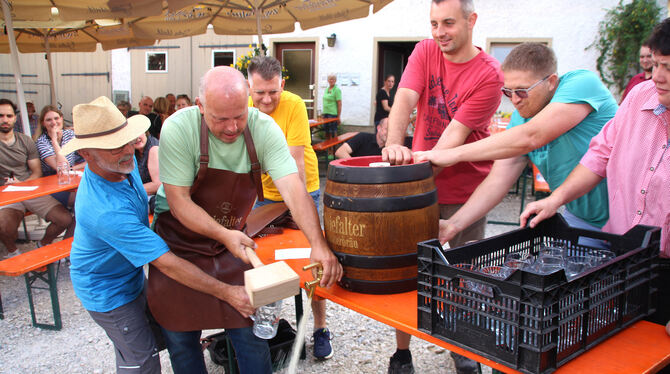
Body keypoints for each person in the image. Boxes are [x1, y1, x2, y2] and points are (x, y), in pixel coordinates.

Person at [151, 66, 343, 374]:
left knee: (251, 332)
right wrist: (225, 234)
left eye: (239, 115)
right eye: (220, 119)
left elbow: (294, 190)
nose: (232, 127)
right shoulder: (178, 128)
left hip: (231, 247)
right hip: (180, 244)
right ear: (200, 107)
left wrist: (317, 243)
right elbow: (179, 202)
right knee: (180, 336)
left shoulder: (263, 129)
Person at [60, 95, 261, 374]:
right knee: (141, 360)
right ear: (86, 154)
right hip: (107, 291)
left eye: (127, 140)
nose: (127, 150)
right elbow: (165, 263)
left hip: (128, 276)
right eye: (113, 146)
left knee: (158, 337)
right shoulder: (106, 212)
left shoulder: (118, 167)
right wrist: (228, 293)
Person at [519, 18, 670, 330]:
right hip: (626, 257)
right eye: (655, 65)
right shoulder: (640, 97)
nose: (658, 77)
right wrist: (555, 200)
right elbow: (599, 155)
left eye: (668, 68)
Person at [381, 1, 504, 373]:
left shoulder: (490, 75)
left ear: (472, 21)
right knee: (406, 272)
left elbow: (453, 137)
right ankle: (402, 352)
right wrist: (393, 142)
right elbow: (404, 96)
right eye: (434, 23)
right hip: (419, 187)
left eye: (448, 23)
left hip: (465, 192)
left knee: (465, 279)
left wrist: (407, 174)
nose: (439, 32)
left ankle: (466, 356)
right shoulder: (424, 49)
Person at [414, 42, 617, 245]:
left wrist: (451, 154)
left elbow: (532, 136)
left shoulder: (581, 82)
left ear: (551, 82)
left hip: (626, 215)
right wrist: (454, 224)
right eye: (508, 92)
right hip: (581, 218)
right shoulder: (521, 119)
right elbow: (498, 179)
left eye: (521, 91)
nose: (514, 100)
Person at [246, 55, 334, 360]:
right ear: (249, 86)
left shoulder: (294, 104)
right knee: (266, 258)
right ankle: (268, 320)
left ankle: (320, 327)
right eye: (260, 93)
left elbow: (295, 160)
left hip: (301, 188)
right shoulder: (242, 109)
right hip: (263, 195)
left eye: (273, 91)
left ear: (281, 84)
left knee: (312, 256)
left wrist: (297, 206)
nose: (267, 99)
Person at [0, 99, 72, 257]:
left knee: (65, 219)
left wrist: (22, 185)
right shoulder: (39, 141)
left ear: (15, 118)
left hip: (28, 188)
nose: (5, 119)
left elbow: (36, 172)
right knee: (6, 226)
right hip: (5, 194)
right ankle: (14, 252)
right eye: (1, 116)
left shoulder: (25, 141)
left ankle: (43, 245)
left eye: (8, 115)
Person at [34, 105, 86, 213]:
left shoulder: (70, 135)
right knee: (84, 201)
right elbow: (62, 168)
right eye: (49, 120)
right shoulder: (42, 142)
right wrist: (54, 140)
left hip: (70, 180)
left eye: (56, 118)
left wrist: (73, 168)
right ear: (43, 123)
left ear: (61, 119)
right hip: (51, 184)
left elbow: (90, 160)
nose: (53, 122)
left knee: (87, 202)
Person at [335, 118, 411, 159]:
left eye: (391, 131)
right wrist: (356, 167)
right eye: (387, 129)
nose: (389, 133)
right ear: (379, 128)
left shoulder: (392, 147)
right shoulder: (363, 137)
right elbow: (340, 152)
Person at [133, 131, 160, 212]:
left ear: (145, 132)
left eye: (139, 132)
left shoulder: (154, 149)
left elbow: (158, 184)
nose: (136, 138)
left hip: (157, 198)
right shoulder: (134, 152)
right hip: (144, 196)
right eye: (132, 136)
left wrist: (130, 191)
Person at [321, 73, 342, 139]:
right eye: (330, 79)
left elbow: (339, 103)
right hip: (326, 113)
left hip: (332, 114)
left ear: (335, 80)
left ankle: (334, 148)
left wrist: (338, 116)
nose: (331, 80)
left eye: (333, 79)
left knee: (332, 132)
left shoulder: (336, 90)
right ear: (328, 80)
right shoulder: (327, 89)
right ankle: (328, 148)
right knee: (326, 132)